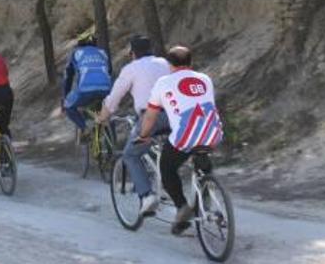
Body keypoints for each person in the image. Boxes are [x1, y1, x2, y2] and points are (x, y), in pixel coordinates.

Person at [124, 46, 224, 235]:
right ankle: (206, 193)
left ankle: (182, 208)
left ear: (170, 65)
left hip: (186, 136)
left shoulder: (164, 82)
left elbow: (151, 116)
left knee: (167, 167)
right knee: (201, 155)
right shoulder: (205, 79)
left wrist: (144, 135)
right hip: (213, 132)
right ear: (191, 62)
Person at [96, 35, 170, 123]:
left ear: (133, 53)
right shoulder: (164, 62)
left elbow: (115, 97)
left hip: (150, 117)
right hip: (172, 115)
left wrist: (102, 117)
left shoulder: (131, 68)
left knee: (135, 137)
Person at [63, 34, 112, 138]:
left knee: (68, 106)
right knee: (107, 113)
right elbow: (109, 71)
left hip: (86, 89)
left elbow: (68, 76)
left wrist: (65, 96)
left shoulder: (76, 53)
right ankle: (113, 139)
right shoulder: (102, 53)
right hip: (106, 88)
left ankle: (85, 129)